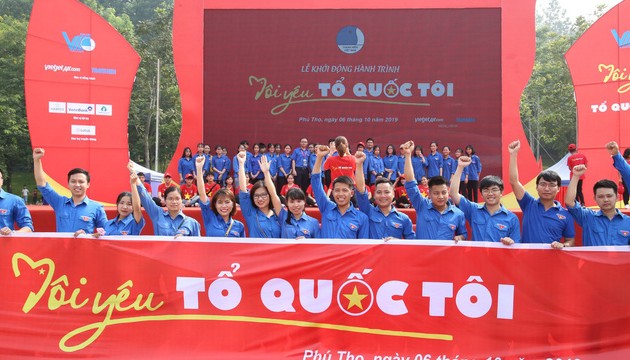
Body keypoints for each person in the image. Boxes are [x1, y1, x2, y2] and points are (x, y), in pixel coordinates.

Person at [508, 140, 575, 248]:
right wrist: (513, 154)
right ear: (537, 187)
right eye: (543, 184)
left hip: (551, 261)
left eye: (552, 185)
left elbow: (570, 240)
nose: (547, 188)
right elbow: (514, 181)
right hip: (527, 259)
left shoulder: (565, 215)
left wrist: (563, 245)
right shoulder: (528, 204)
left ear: (558, 188)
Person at [402, 141, 467, 240]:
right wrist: (407, 155)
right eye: (436, 193)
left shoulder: (458, 214)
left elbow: (463, 234)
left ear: (448, 193)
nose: (441, 196)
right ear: (430, 194)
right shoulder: (422, 205)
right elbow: (410, 181)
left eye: (444, 192)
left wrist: (460, 237)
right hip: (422, 254)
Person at [33, 148, 107, 233]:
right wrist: (37, 160)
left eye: (81, 182)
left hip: (84, 246)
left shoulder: (96, 207)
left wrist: (87, 235)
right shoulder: (59, 202)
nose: (77, 185)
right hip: (61, 246)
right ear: (68, 184)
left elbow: (106, 232)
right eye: (73, 181)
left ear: (88, 185)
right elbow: (42, 184)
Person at [450, 156, 520, 244]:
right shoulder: (473, 210)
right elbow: (453, 194)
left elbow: (516, 245)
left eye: (494, 190)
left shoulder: (511, 218)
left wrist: (510, 241)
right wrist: (460, 167)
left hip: (498, 257)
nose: (490, 193)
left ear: (501, 192)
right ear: (482, 194)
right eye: (486, 190)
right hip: (476, 256)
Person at [566, 159, 630, 246]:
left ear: (617, 197)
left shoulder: (628, 222)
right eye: (601, 196)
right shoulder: (588, 217)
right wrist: (576, 176)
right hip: (592, 260)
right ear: (595, 198)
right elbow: (569, 202)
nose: (606, 200)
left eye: (609, 196)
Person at [311, 145, 369, 239]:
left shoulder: (362, 218)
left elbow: (363, 246)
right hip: (326, 253)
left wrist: (359, 165)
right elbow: (316, 182)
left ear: (352, 193)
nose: (340, 194)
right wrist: (319, 157)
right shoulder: (326, 207)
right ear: (333, 193)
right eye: (337, 190)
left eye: (345, 190)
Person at [355, 151, 414, 240]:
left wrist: (398, 242)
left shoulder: (404, 219)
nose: (383, 196)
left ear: (393, 194)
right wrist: (359, 164)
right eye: (379, 192)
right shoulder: (368, 212)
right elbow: (361, 190)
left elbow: (412, 244)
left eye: (386, 192)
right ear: (374, 195)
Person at [77, 164, 146, 237]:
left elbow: (137, 208)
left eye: (129, 204)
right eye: (122, 203)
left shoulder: (135, 223)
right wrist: (86, 236)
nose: (125, 207)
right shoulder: (108, 224)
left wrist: (133, 184)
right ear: (117, 204)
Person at [261, 158, 319, 239]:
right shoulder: (283, 216)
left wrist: (307, 242)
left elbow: (318, 246)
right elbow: (273, 194)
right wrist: (266, 173)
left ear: (304, 201)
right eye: (292, 202)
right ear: (287, 203)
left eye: (299, 201)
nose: (296, 205)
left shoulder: (313, 223)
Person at [136, 174, 200, 237]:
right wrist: (135, 179)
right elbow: (146, 199)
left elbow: (198, 245)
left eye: (177, 199)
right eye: (170, 199)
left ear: (181, 200)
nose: (174, 202)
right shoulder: (158, 215)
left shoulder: (192, 223)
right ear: (165, 201)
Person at [195, 156, 245, 237]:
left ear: (233, 204)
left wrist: (242, 164)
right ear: (215, 204)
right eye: (220, 202)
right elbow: (202, 194)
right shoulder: (210, 218)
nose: (224, 206)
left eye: (227, 202)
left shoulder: (239, 226)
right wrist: (199, 169)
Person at [237, 151, 281, 238]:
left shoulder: (279, 213)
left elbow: (273, 194)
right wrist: (241, 164)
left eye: (264, 195)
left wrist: (266, 173)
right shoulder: (250, 213)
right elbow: (243, 189)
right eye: (256, 196)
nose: (260, 199)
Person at [0, 168, 33, 235]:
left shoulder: (15, 201)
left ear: (2, 181)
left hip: (4, 244)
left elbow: (28, 227)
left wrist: (12, 233)